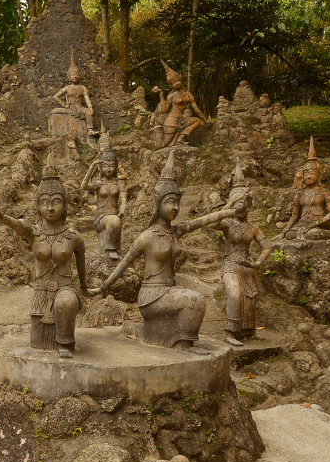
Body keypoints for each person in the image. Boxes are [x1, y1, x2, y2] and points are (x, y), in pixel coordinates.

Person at [92, 151, 236, 353]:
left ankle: (153, 333)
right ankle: (183, 344)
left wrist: (230, 210)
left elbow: (203, 220)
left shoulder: (174, 231)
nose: (175, 207)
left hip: (169, 292)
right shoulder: (147, 236)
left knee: (191, 299)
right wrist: (103, 287)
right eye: (169, 201)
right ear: (156, 204)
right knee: (194, 300)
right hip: (152, 295)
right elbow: (124, 264)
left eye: (177, 201)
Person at [0, 160, 92, 358]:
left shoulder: (73, 236)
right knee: (37, 344)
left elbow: (81, 263)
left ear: (65, 204)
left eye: (56, 202)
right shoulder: (34, 232)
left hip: (65, 291)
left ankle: (65, 343)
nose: (50, 208)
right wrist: (0, 215)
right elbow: (18, 225)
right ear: (38, 206)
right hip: (41, 294)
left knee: (67, 302)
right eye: (45, 202)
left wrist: (85, 288)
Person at [217, 162, 271, 346]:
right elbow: (212, 223)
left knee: (250, 297)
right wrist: (230, 204)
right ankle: (229, 332)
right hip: (230, 264)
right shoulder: (228, 224)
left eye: (246, 204)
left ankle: (246, 332)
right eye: (240, 205)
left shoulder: (253, 227)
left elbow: (266, 247)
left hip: (246, 265)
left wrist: (257, 263)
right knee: (235, 293)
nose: (243, 208)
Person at [278, 137, 330, 240]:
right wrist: (283, 232)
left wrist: (314, 224)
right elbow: (294, 216)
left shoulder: (324, 192)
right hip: (302, 225)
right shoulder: (299, 194)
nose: (308, 176)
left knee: (311, 234)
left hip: (318, 225)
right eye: (306, 174)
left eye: (312, 173)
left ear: (319, 175)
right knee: (290, 235)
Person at [81, 147, 127, 259]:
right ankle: (110, 249)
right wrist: (91, 168)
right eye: (105, 166)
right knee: (114, 221)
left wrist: (122, 210)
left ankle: (112, 247)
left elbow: (124, 200)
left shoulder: (119, 183)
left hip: (114, 214)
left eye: (112, 166)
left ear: (116, 167)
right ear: (100, 168)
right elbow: (83, 187)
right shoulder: (98, 183)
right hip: (101, 218)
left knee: (115, 220)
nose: (109, 169)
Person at [152, 60, 210, 149]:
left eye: (177, 80)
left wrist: (205, 120)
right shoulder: (171, 95)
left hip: (181, 120)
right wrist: (161, 95)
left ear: (180, 79)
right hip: (171, 121)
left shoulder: (188, 94)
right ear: (170, 85)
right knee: (163, 145)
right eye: (173, 82)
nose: (176, 83)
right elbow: (164, 110)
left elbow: (196, 109)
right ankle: (158, 134)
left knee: (197, 121)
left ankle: (181, 137)